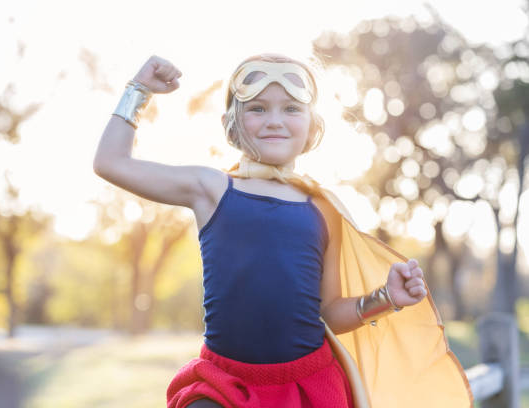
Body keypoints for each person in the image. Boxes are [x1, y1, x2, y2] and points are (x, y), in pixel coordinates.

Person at [93, 54, 474, 408]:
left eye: (291, 109)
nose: (274, 120)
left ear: (312, 125)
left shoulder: (322, 208)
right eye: (257, 109)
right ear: (232, 124)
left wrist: (383, 297)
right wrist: (138, 90)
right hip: (224, 386)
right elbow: (111, 163)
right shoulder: (211, 188)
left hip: (309, 386)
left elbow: (330, 313)